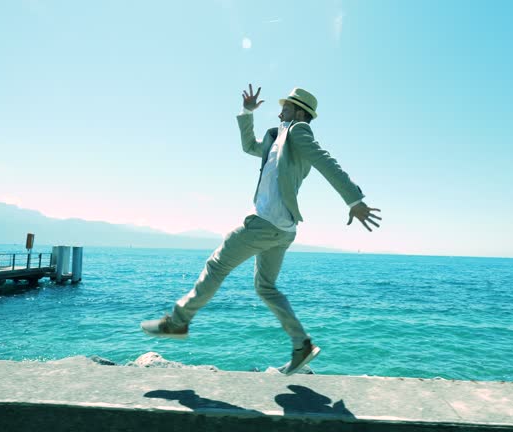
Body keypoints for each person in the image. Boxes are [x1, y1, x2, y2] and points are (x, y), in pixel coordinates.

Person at [141, 84, 381, 375]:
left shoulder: (298, 132)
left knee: (217, 265)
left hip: (265, 222)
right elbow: (248, 147)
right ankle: (301, 345)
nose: (281, 109)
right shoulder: (276, 137)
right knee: (265, 287)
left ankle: (178, 321)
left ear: (299, 112)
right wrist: (246, 112)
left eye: (287, 106)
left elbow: (325, 161)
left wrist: (354, 200)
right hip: (283, 229)